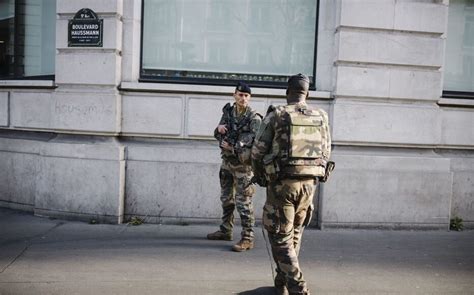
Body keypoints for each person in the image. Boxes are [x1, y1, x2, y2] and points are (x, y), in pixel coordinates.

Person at [251, 74, 332, 295]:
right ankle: (282, 282)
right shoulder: (321, 116)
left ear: (287, 92)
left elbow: (257, 151)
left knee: (280, 237)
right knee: (294, 234)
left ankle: (298, 288)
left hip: (282, 185)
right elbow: (326, 151)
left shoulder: (278, 114)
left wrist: (259, 175)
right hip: (309, 186)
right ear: (307, 93)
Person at [207, 81, 262, 252]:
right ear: (234, 95)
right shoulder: (229, 112)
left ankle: (248, 238)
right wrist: (219, 130)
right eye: (240, 95)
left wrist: (233, 147)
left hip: (243, 168)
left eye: (246, 96)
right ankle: (226, 230)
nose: (243, 98)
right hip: (227, 163)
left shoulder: (254, 118)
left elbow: (257, 144)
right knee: (226, 199)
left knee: (243, 202)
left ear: (250, 98)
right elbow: (218, 134)